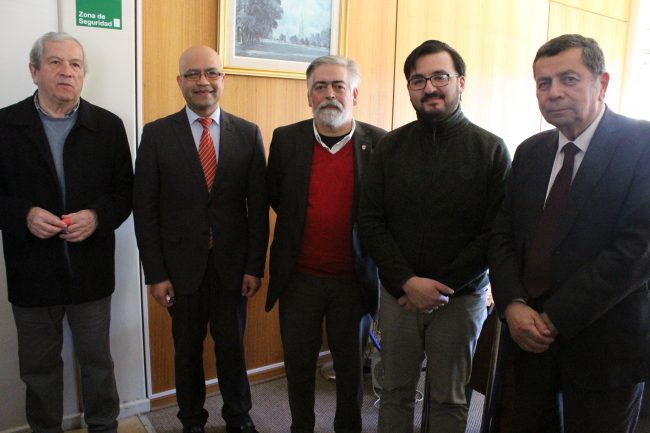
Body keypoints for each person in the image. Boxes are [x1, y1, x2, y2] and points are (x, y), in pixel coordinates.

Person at [489, 34, 650, 433]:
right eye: (543, 83)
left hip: (605, 346)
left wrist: (555, 318)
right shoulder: (530, 151)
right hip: (528, 339)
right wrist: (512, 304)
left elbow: (636, 251)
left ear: (602, 83)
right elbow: (503, 234)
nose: (554, 92)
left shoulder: (642, 145)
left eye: (569, 79)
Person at [358, 40, 511, 433]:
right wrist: (408, 282)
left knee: (449, 398)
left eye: (440, 77)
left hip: (460, 298)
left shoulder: (490, 150)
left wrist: (439, 287)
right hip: (399, 296)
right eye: (418, 80)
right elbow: (371, 221)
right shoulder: (390, 147)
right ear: (409, 88)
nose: (429, 87)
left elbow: (494, 232)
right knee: (394, 391)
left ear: (461, 82)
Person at [0, 32, 133, 433]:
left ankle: (103, 427)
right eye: (55, 62)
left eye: (75, 64)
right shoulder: (5, 125)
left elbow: (125, 193)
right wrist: (23, 214)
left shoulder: (108, 126)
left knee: (98, 365)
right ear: (34, 71)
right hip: (31, 274)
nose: (67, 72)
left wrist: (96, 216)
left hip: (90, 273)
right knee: (39, 371)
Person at [133, 46, 267, 433]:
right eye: (193, 74)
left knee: (232, 349)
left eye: (211, 73)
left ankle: (239, 417)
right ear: (180, 81)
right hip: (179, 271)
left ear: (223, 79)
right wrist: (156, 274)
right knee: (187, 352)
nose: (202, 81)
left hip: (232, 269)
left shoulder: (248, 133)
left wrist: (254, 267)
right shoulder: (156, 134)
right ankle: (191, 420)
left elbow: (257, 210)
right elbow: (146, 211)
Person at [265, 55, 386, 433]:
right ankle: (300, 426)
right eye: (320, 86)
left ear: (354, 94)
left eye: (338, 86)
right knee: (298, 365)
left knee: (350, 370)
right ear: (309, 96)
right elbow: (278, 197)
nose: (329, 94)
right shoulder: (286, 140)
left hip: (353, 280)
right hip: (299, 279)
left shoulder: (381, 143)